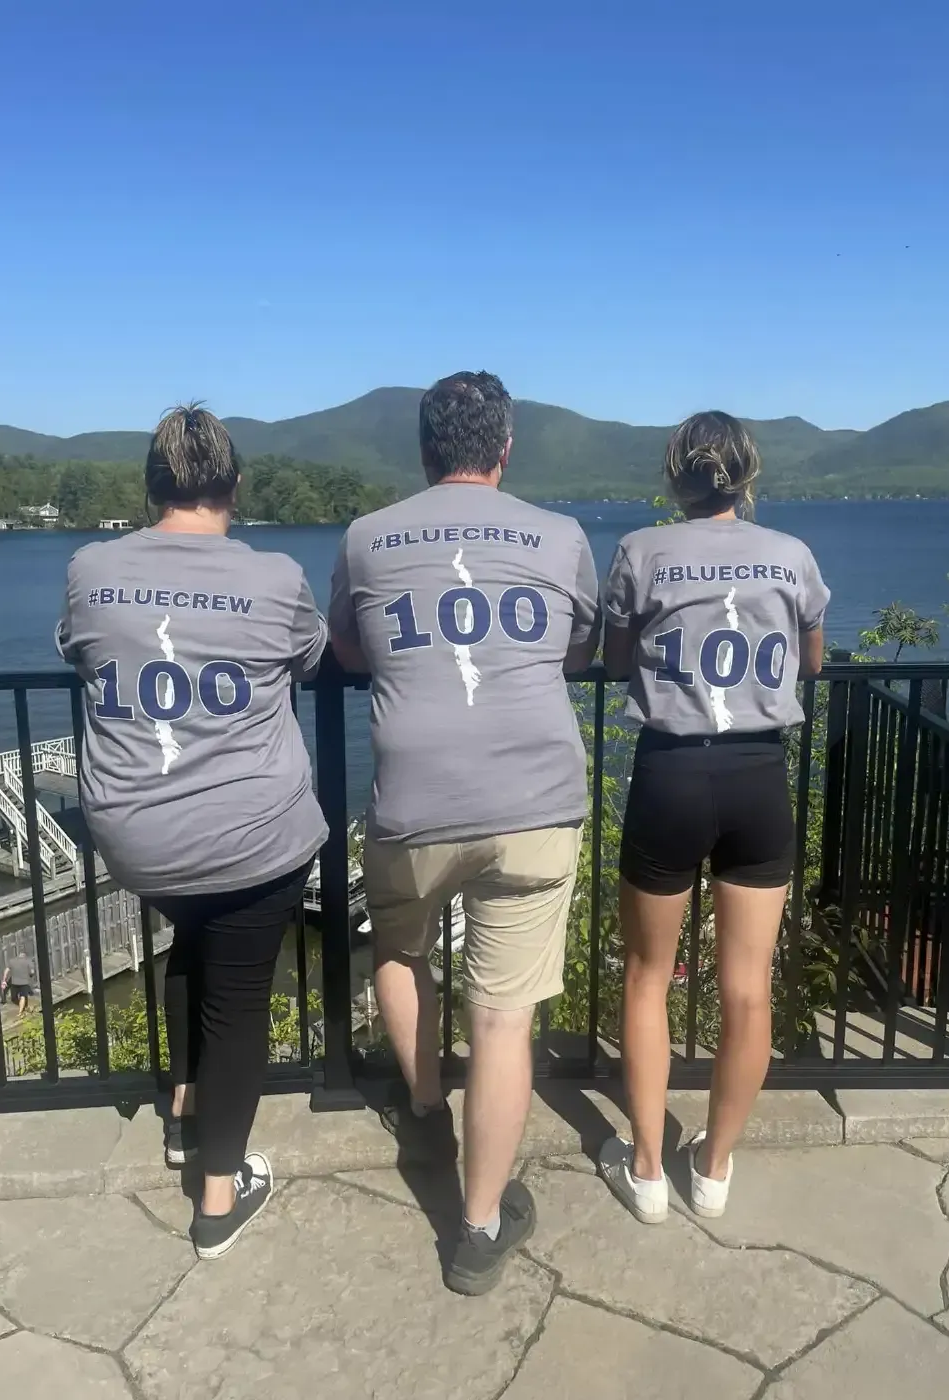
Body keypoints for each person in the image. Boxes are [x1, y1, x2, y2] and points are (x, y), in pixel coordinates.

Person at [329, 371, 601, 1294]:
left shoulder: (366, 537)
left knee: (399, 949)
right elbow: (578, 648)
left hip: (412, 802)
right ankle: (478, 1229)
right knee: (503, 1018)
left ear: (423, 450)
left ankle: (422, 1105)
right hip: (534, 803)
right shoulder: (559, 536)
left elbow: (350, 650)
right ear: (506, 449)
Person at [57, 403, 328, 1260]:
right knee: (238, 1003)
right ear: (234, 486)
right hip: (252, 835)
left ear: (151, 486)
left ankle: (181, 1114)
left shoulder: (91, 568)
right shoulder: (276, 576)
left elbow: (77, 649)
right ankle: (219, 1196)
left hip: (136, 837)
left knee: (194, 942)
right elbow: (312, 656)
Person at [598, 411, 827, 1222]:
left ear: (676, 478)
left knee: (646, 977)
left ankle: (646, 1171)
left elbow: (615, 660)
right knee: (748, 991)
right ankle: (715, 1168)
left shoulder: (641, 552)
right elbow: (812, 661)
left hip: (670, 774)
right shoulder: (792, 555)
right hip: (758, 775)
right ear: (748, 474)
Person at [3, 952, 35, 1017]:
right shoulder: (28, 961)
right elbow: (32, 972)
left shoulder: (12, 961)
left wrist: (4, 980)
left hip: (14, 982)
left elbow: (6, 971)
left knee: (14, 998)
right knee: (23, 996)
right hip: (24, 982)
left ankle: (21, 1010)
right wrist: (31, 975)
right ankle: (22, 1010)